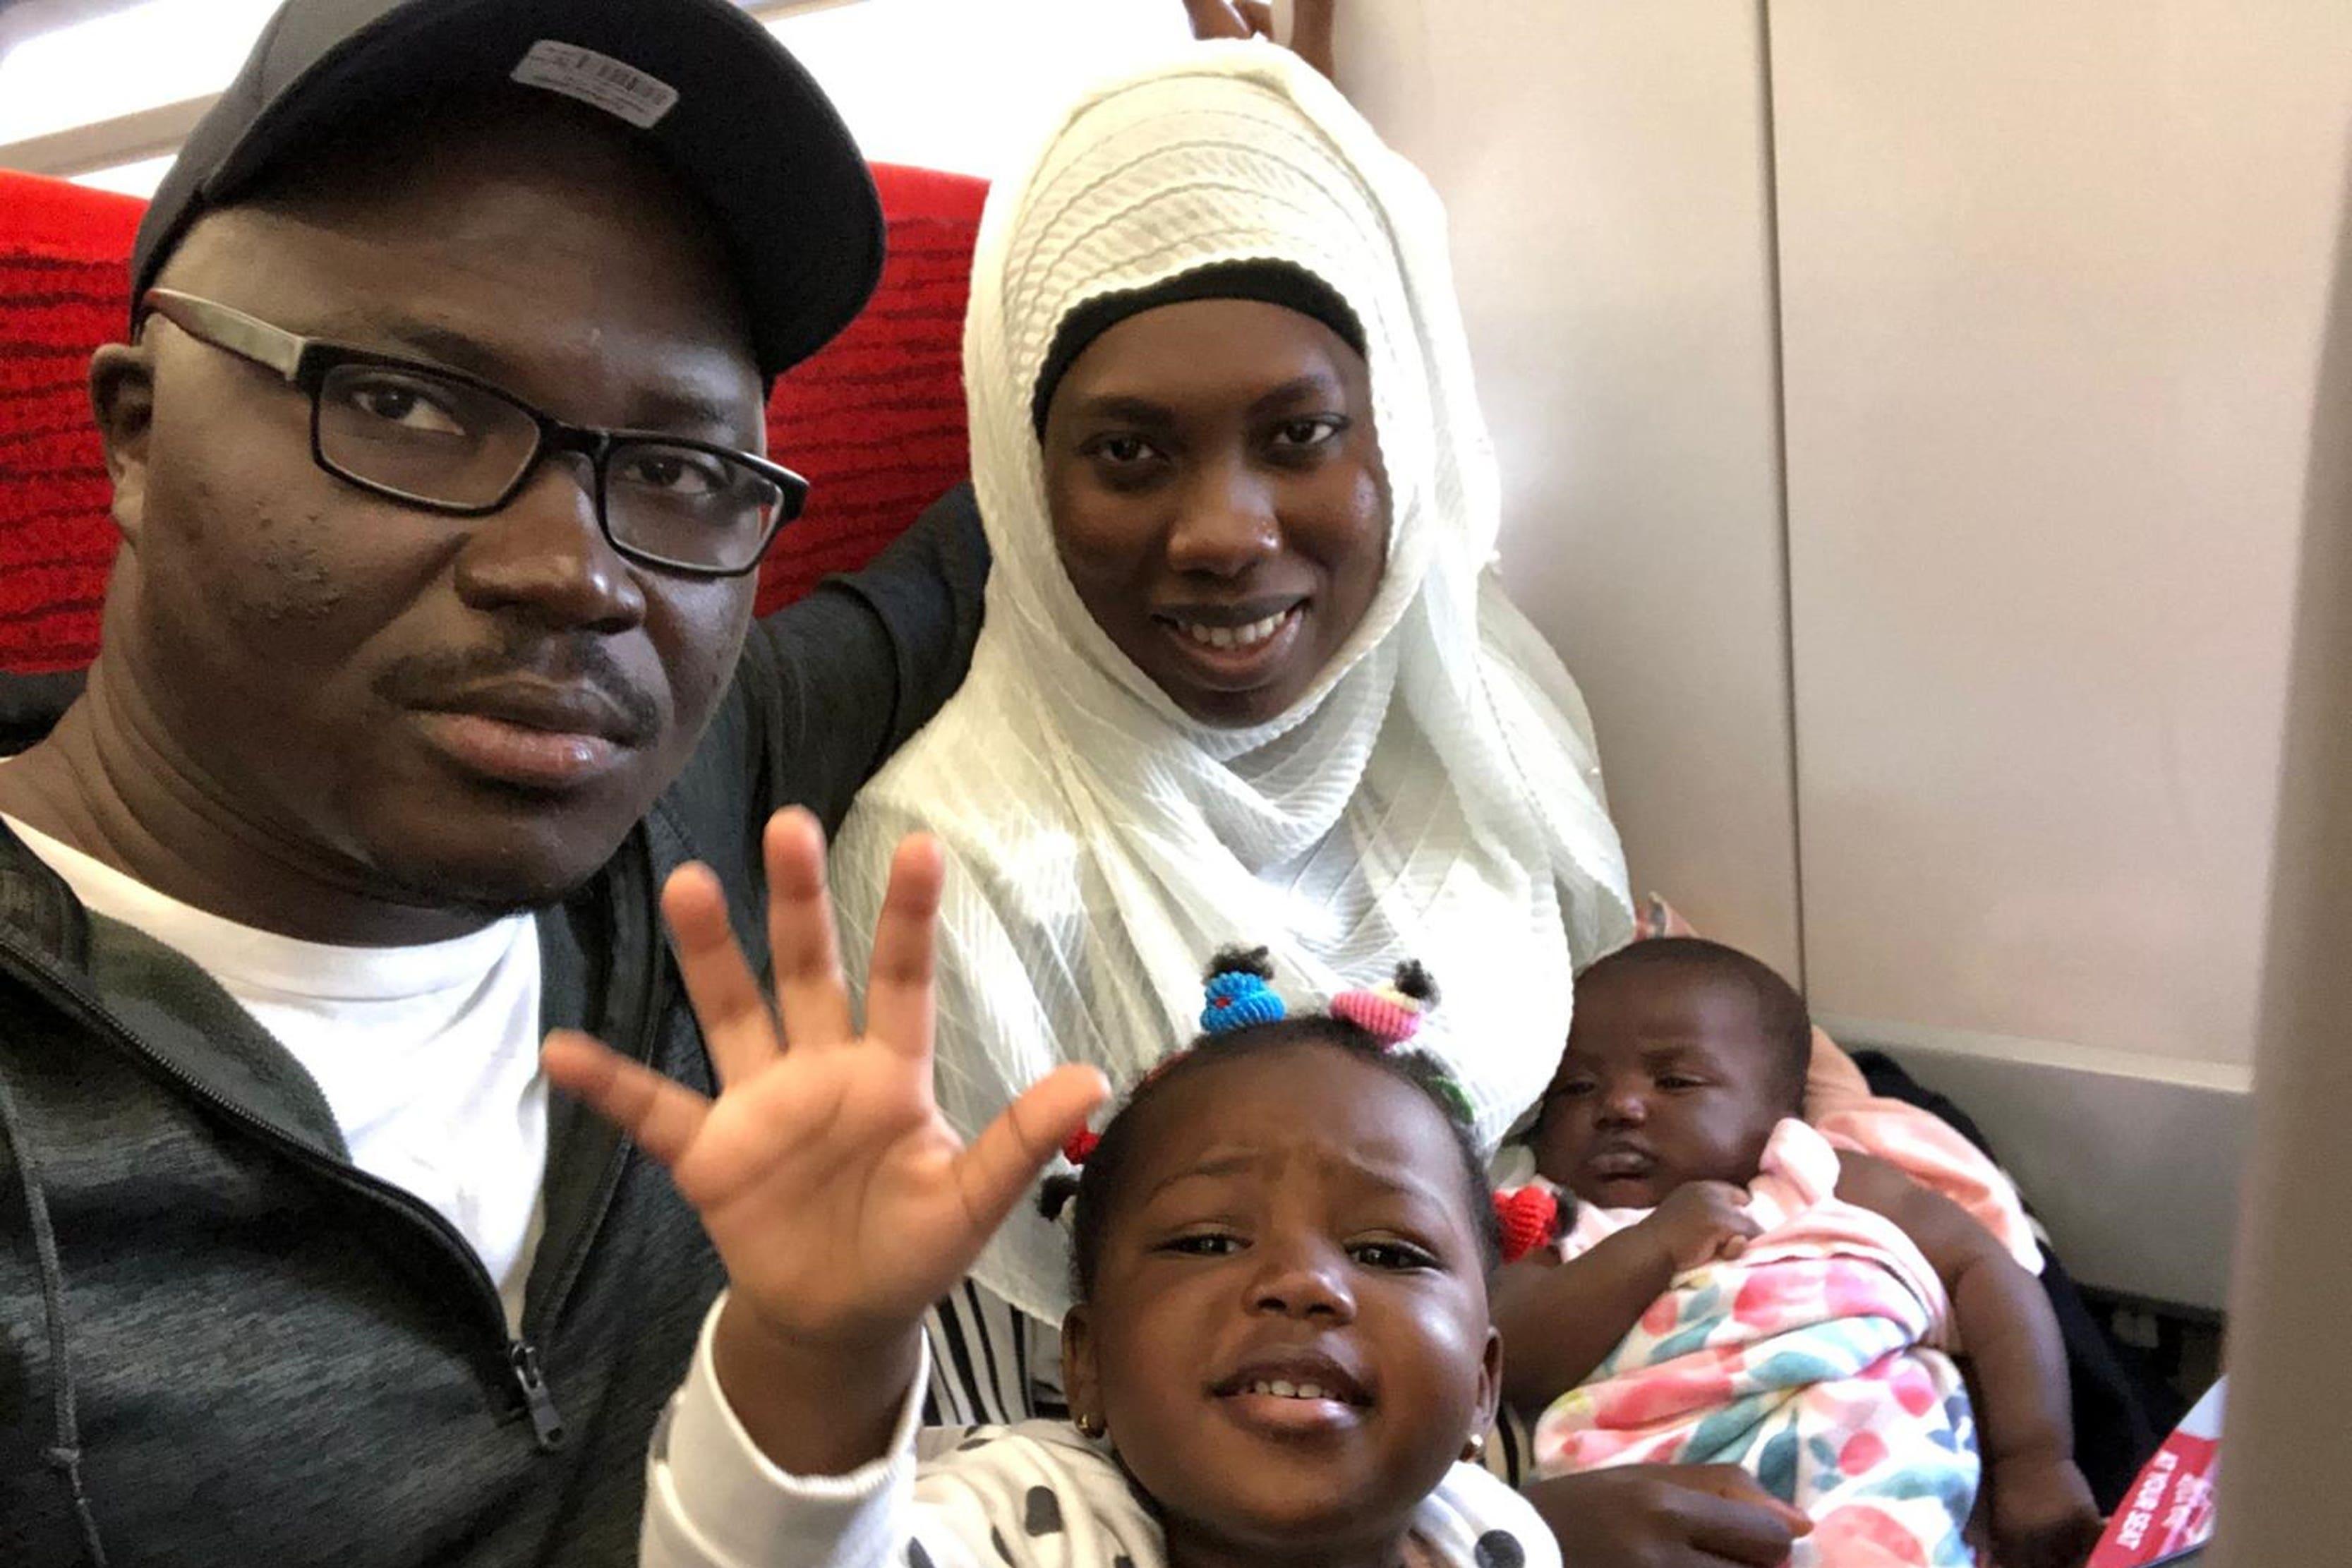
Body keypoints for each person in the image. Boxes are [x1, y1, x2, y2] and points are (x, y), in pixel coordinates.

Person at [0, 2, 990, 1562]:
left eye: (676, 469)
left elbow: (990, 556)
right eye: (403, 402)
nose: (573, 575)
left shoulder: (693, 792)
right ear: (135, 433)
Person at [826, 32, 1632, 1438]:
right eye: (1129, 454)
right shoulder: (950, 876)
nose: (1221, 534)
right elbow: (989, 1450)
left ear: (1402, 443)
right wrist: (1512, 1509)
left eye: (1301, 434)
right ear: (1022, 485)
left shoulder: (1482, 718)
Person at [545, 818, 1558, 1567]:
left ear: (1480, 1381)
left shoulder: (1494, 1534)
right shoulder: (1027, 1523)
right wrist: (820, 1348)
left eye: (1386, 1251)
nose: (1300, 1282)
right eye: (1208, 1241)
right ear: (1086, 1368)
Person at [1497, 939, 2104, 1568]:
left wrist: (2035, 1459)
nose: (1617, 1107)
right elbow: (1509, 1356)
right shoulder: (1549, 1220)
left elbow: (1988, 1276)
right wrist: (1652, 1246)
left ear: (1781, 1110)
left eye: (1675, 1080)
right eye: (1576, 1088)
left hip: (1890, 1503)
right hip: (1669, 1520)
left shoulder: (1820, 1178)